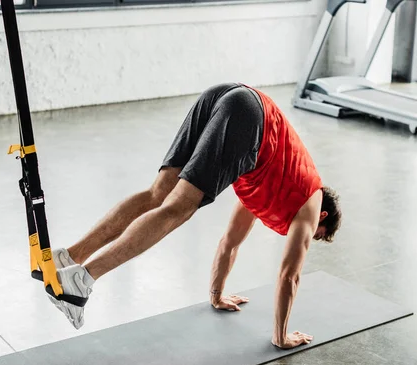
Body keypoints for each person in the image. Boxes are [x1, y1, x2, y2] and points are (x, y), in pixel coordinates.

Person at [48, 82, 342, 350]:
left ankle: (71, 257)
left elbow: (230, 243)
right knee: (178, 207)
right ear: (323, 215)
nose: (306, 236)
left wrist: (216, 294)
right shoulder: (310, 204)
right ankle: (82, 279)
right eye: (317, 233)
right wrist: (280, 336)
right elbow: (289, 274)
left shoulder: (272, 189)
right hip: (250, 118)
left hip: (229, 96)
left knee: (158, 194)